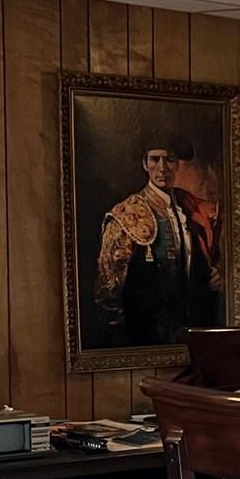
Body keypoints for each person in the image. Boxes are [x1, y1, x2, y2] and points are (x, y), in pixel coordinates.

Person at [95, 131, 219, 346]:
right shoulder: (127, 213)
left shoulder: (190, 207)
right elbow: (109, 289)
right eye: (155, 159)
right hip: (147, 331)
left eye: (169, 160)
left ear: (178, 165)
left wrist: (212, 277)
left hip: (191, 327)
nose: (162, 168)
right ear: (145, 164)